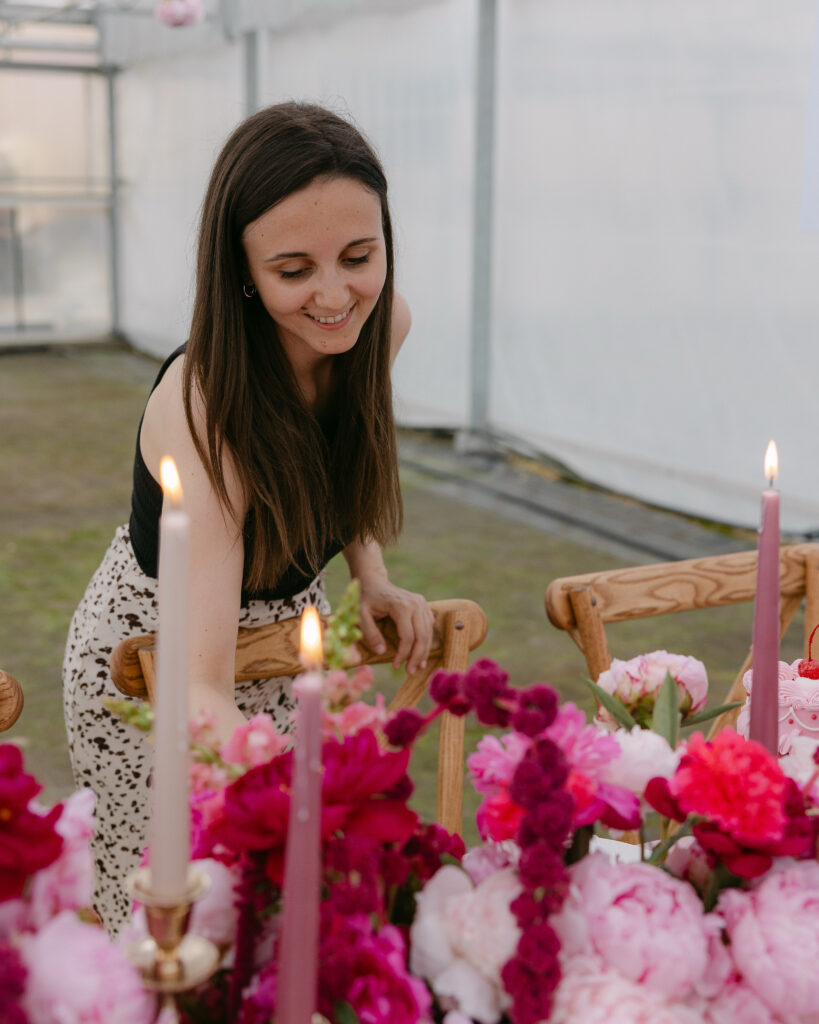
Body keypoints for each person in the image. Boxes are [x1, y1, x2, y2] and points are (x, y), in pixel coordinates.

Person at [62, 102, 434, 934]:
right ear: (239, 270)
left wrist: (369, 576)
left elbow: (344, 459)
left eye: (359, 256)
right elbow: (195, 684)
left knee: (291, 917)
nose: (337, 295)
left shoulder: (383, 323)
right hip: (154, 661)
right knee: (179, 922)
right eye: (294, 270)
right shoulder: (206, 408)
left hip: (285, 635)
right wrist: (318, 797)